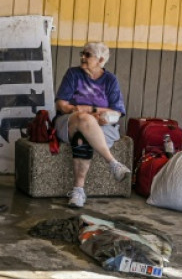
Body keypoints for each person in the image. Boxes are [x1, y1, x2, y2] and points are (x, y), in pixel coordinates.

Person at [53, 41, 131, 208]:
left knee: (84, 135)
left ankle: (78, 190)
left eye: (87, 55)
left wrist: (103, 115)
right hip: (69, 123)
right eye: (82, 53)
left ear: (100, 59)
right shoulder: (73, 74)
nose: (82, 57)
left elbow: (117, 112)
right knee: (84, 119)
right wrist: (86, 111)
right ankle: (112, 163)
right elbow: (61, 105)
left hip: (102, 127)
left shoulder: (110, 80)